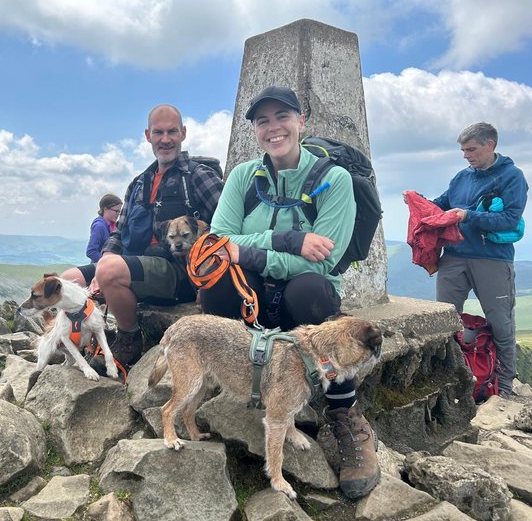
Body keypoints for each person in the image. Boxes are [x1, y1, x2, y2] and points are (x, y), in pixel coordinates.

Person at [200, 86, 379, 499]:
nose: (273, 127)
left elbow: (323, 262)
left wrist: (250, 250)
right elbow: (218, 243)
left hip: (304, 303)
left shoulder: (333, 180)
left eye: (282, 116)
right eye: (262, 120)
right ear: (255, 131)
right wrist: (289, 241)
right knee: (215, 290)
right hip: (254, 294)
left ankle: (343, 415)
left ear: (302, 121)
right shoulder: (244, 177)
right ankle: (245, 384)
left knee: (311, 291)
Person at [61, 104, 224, 372]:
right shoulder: (139, 182)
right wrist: (105, 260)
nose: (165, 139)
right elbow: (119, 231)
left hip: (179, 271)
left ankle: (128, 338)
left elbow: (227, 224)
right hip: (134, 263)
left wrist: (208, 279)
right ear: (148, 136)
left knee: (109, 270)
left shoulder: (198, 176)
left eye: (172, 131)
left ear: (183, 133)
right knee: (66, 281)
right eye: (158, 132)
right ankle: (78, 338)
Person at [403, 122, 528, 399]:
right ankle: (447, 380)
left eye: (471, 149)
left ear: (490, 145)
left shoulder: (512, 177)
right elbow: (441, 207)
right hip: (454, 258)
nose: (466, 155)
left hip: (493, 260)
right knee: (444, 320)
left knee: (500, 323)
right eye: (462, 150)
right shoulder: (461, 177)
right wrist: (417, 201)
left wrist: (468, 216)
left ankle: (504, 388)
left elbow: (509, 219)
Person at [86, 194, 123, 263]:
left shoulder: (114, 225)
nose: (118, 214)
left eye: (119, 211)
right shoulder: (99, 226)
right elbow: (91, 251)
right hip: (99, 269)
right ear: (105, 209)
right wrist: (109, 262)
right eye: (116, 211)